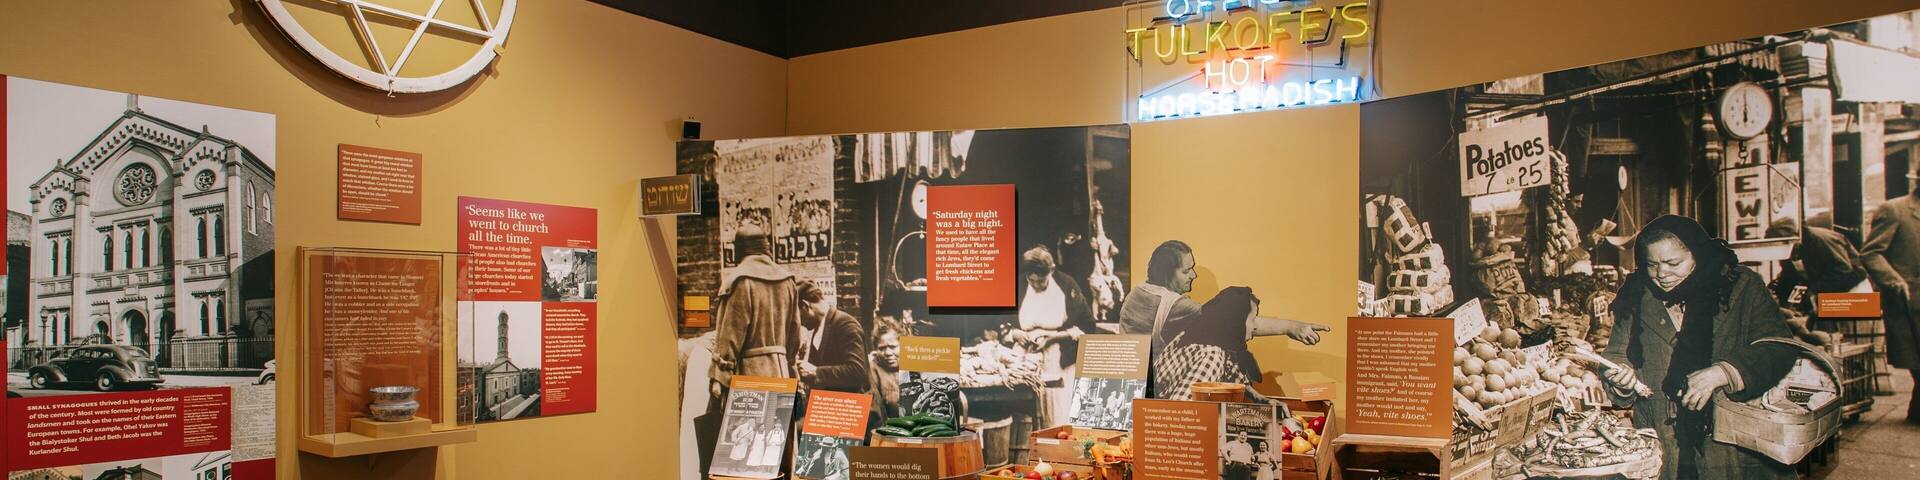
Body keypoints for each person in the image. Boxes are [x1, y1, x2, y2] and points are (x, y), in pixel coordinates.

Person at [1601, 215, 1796, 480]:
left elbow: (1778, 347)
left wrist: (1724, 373)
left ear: (1697, 254)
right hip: (1661, 435)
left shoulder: (1738, 286)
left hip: (1730, 437)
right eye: (1652, 264)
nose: (1661, 274)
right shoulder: (1635, 294)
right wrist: (1620, 379)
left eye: (1673, 263)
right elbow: (1616, 355)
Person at [1119, 241, 1329, 359]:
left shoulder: (1137, 292)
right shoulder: (1177, 306)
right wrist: (1292, 327)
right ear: (1167, 274)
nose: (1194, 275)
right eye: (1186, 271)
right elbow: (1240, 323)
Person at [709, 223, 803, 400]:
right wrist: (790, 367)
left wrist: (719, 378)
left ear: (739, 249)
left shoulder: (740, 281)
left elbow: (729, 336)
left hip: (749, 376)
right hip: (781, 372)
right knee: (777, 426)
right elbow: (795, 335)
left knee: (749, 427)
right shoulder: (788, 281)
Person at [1861, 169, 1920, 423]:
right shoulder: (1895, 210)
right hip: (1908, 301)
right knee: (1916, 361)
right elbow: (1871, 252)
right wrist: (1893, 279)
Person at [1016, 246, 1098, 427]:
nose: (1036, 285)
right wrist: (1015, 333)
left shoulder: (1066, 285)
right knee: (1029, 417)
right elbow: (1003, 321)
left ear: (1051, 271)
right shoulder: (1020, 285)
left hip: (1059, 358)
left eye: (1041, 281)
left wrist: (1053, 338)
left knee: (1058, 412)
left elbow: (1087, 324)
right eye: (1032, 281)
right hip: (1026, 359)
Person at [1153, 287, 1280, 401]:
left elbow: (1233, 373)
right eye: (1252, 320)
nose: (1255, 327)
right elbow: (1183, 412)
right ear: (1236, 324)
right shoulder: (1212, 355)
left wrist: (1260, 399)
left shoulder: (1193, 337)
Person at [797, 283, 870, 394]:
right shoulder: (820, 327)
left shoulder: (845, 325)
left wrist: (816, 372)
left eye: (798, 316)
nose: (800, 323)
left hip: (851, 405)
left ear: (805, 306)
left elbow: (857, 371)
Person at [867, 317, 906, 419]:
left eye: (893, 347)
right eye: (882, 348)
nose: (888, 353)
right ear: (875, 350)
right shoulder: (872, 369)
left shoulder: (914, 363)